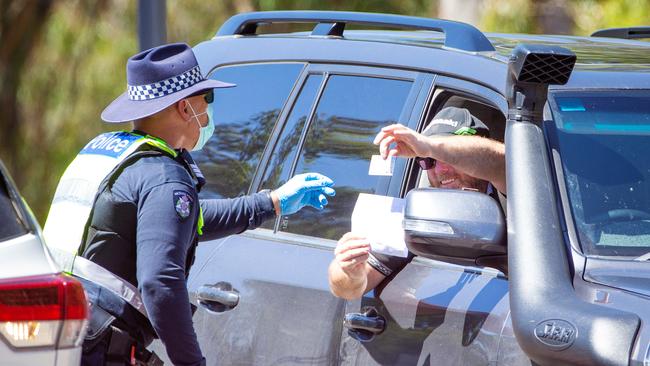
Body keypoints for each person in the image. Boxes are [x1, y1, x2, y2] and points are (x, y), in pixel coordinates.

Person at [43, 43, 335, 366]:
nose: (208, 112)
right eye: (206, 99)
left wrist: (271, 202)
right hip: (98, 348)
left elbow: (172, 221)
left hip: (54, 335)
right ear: (185, 108)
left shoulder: (109, 154)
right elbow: (160, 283)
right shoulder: (164, 175)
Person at [328, 106, 504, 300]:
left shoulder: (514, 195)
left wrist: (430, 147)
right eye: (429, 160)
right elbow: (349, 290)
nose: (440, 169)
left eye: (447, 156)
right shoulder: (423, 211)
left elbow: (501, 162)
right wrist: (348, 269)